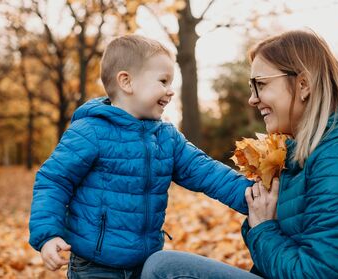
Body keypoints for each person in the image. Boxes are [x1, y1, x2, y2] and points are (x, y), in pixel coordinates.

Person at [140, 30, 338, 279]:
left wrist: (263, 228)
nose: (252, 99)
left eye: (261, 84)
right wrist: (262, 219)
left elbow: (316, 274)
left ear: (303, 85)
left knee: (164, 269)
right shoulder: (304, 155)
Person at [28, 34, 253, 279]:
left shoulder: (166, 137)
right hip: (94, 265)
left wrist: (252, 197)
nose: (170, 91)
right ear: (127, 82)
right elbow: (53, 181)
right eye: (163, 81)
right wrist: (48, 234)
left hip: (144, 264)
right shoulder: (91, 131)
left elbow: (207, 172)